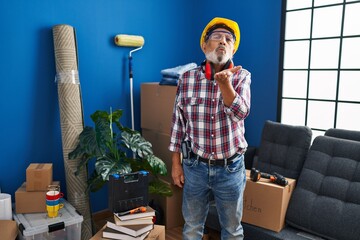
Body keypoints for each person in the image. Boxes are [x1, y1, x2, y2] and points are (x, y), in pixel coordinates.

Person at [168, 17, 251, 240]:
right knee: (192, 227)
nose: (223, 41)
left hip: (231, 168)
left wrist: (225, 84)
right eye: (217, 37)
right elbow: (178, 124)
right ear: (205, 45)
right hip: (195, 166)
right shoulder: (186, 79)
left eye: (228, 39)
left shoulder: (242, 77)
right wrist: (176, 164)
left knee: (232, 231)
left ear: (233, 49)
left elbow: (240, 113)